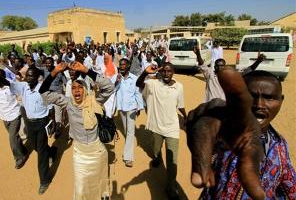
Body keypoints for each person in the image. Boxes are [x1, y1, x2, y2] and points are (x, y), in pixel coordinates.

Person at [186, 68, 296, 199]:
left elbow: (289, 188)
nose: (259, 105)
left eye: (269, 97)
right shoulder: (224, 136)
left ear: (281, 100)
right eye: (251, 97)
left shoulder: (280, 146)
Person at [39, 61, 114, 200]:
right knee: (80, 190)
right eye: (73, 88)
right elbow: (43, 93)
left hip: (97, 151)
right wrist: (55, 72)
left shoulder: (95, 101)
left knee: (99, 186)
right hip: (79, 154)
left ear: (85, 90)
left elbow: (109, 87)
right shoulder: (67, 103)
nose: (77, 90)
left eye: (80, 87)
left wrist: (86, 70)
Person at [0, 66, 57, 194]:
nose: (28, 78)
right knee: (36, 147)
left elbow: (51, 107)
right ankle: (52, 152)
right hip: (30, 124)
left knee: (41, 153)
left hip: (42, 123)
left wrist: (53, 122)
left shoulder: (43, 88)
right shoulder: (23, 86)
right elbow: (7, 82)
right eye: (27, 75)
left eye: (31, 76)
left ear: (37, 78)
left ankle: (44, 180)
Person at [136, 63, 187, 199]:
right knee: (156, 150)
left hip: (172, 128)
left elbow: (180, 105)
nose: (166, 73)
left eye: (169, 71)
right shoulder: (153, 85)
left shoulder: (179, 87)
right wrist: (145, 73)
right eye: (164, 71)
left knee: (172, 161)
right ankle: (157, 158)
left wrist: (186, 116)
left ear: (173, 72)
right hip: (156, 127)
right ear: (160, 72)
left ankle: (170, 188)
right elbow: (138, 84)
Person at [115, 58, 144, 167]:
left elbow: (138, 93)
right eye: (120, 65)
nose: (121, 67)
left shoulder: (134, 78)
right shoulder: (117, 77)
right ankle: (128, 144)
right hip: (122, 108)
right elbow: (112, 90)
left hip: (132, 107)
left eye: (123, 65)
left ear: (128, 66)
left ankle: (128, 157)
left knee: (130, 132)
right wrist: (116, 81)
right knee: (127, 130)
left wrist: (139, 107)